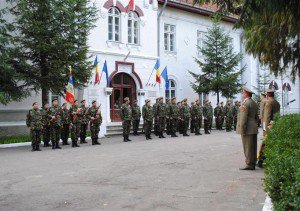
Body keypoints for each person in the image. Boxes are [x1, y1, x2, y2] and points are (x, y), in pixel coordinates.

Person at [237, 87, 259, 170]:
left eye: (243, 93)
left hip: (247, 128)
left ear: (246, 94)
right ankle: (253, 162)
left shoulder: (245, 104)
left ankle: (249, 164)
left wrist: (242, 129)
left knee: (247, 147)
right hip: (253, 127)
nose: (242, 94)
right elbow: (256, 116)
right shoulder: (253, 102)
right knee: (253, 146)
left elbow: (243, 118)